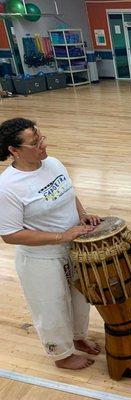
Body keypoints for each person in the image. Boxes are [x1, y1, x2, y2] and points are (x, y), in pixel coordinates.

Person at [0, 118, 102, 370]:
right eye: (35, 143)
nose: (43, 145)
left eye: (42, 138)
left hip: (73, 247)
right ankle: (62, 355)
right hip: (40, 258)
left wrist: (82, 215)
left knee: (80, 298)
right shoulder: (7, 187)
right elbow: (10, 234)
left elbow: (70, 192)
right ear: (14, 150)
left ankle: (78, 338)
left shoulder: (53, 163)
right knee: (52, 307)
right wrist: (62, 236)